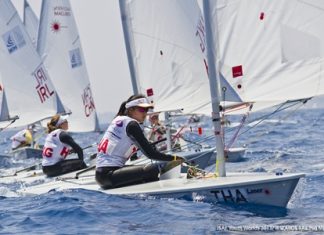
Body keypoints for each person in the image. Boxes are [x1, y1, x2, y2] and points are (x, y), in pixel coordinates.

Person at [95, 94, 185, 189]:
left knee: (145, 168)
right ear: (131, 110)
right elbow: (151, 155)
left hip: (103, 175)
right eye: (142, 110)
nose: (145, 113)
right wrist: (175, 158)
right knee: (152, 169)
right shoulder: (132, 125)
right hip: (108, 175)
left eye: (146, 110)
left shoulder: (119, 119)